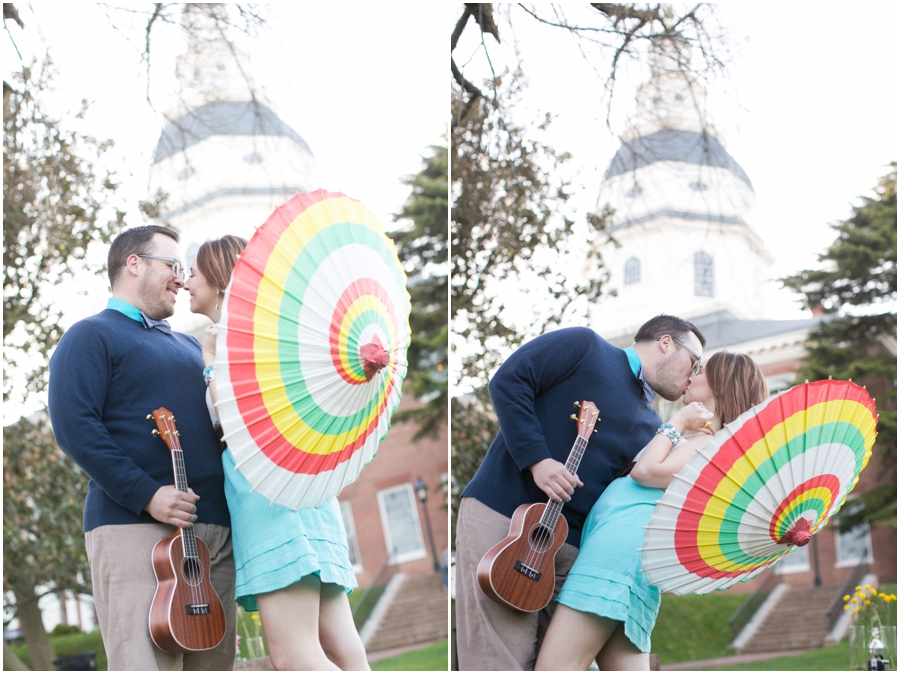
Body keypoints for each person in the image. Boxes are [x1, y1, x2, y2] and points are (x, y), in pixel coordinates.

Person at [455, 316, 707, 671]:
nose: (693, 376)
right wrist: (538, 460)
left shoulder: (654, 428)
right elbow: (509, 381)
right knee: (499, 659)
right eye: (693, 362)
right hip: (504, 516)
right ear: (666, 343)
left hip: (573, 554)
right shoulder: (584, 346)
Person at [48, 225, 236, 671]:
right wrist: (148, 495)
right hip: (136, 530)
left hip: (215, 536)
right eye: (172, 265)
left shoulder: (193, 347)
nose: (180, 277)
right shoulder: (89, 336)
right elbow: (74, 427)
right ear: (134, 264)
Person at [183, 235, 369, 671]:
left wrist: (209, 362)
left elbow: (236, 426)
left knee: (293, 653)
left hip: (267, 499)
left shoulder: (232, 342)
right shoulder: (274, 336)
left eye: (193, 272)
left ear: (218, 277)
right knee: (345, 650)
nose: (186, 282)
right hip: (307, 495)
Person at [535, 351, 768, 671]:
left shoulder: (710, 446)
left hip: (617, 554)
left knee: (555, 667)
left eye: (700, 371)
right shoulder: (699, 441)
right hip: (625, 554)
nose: (691, 375)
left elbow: (645, 472)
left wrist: (676, 421)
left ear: (720, 385)